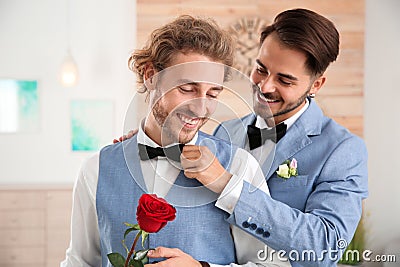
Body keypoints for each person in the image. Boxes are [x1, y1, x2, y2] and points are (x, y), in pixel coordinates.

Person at [116, 8, 368, 266]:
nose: (264, 86)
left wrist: (226, 182)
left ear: (316, 85)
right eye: (261, 69)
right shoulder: (225, 131)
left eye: (285, 80)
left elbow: (325, 248)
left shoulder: (343, 150)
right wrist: (152, 137)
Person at [61, 15, 285, 267]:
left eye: (213, 93)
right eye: (187, 89)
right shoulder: (96, 169)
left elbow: (273, 263)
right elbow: (80, 261)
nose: (201, 107)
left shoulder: (239, 167)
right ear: (151, 76)